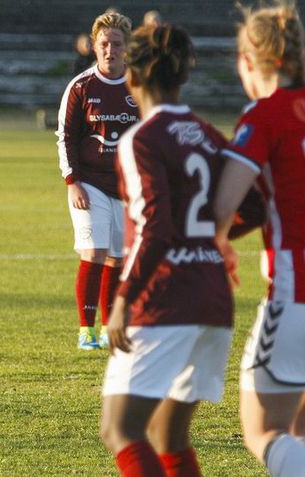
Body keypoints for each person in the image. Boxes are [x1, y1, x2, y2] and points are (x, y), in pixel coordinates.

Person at [100, 24, 234, 476]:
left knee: (119, 429)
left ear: (132, 79)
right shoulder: (208, 135)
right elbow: (250, 201)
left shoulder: (141, 139)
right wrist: (213, 241)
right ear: (183, 77)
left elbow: (155, 226)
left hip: (165, 301)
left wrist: (122, 299)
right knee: (168, 435)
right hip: (214, 299)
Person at [214, 3, 305, 475]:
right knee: (298, 430)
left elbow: (224, 203)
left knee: (260, 430)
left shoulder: (265, 115)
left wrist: (219, 238)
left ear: (251, 60)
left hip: (295, 300)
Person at [55, 12, 138, 350]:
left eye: (116, 44)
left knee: (118, 258)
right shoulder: (80, 87)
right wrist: (72, 180)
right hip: (88, 184)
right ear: (94, 46)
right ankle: (85, 330)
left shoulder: (139, 85)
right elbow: (65, 136)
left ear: (126, 47)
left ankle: (109, 328)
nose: (109, 50)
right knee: (95, 251)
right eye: (104, 44)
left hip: (127, 187)